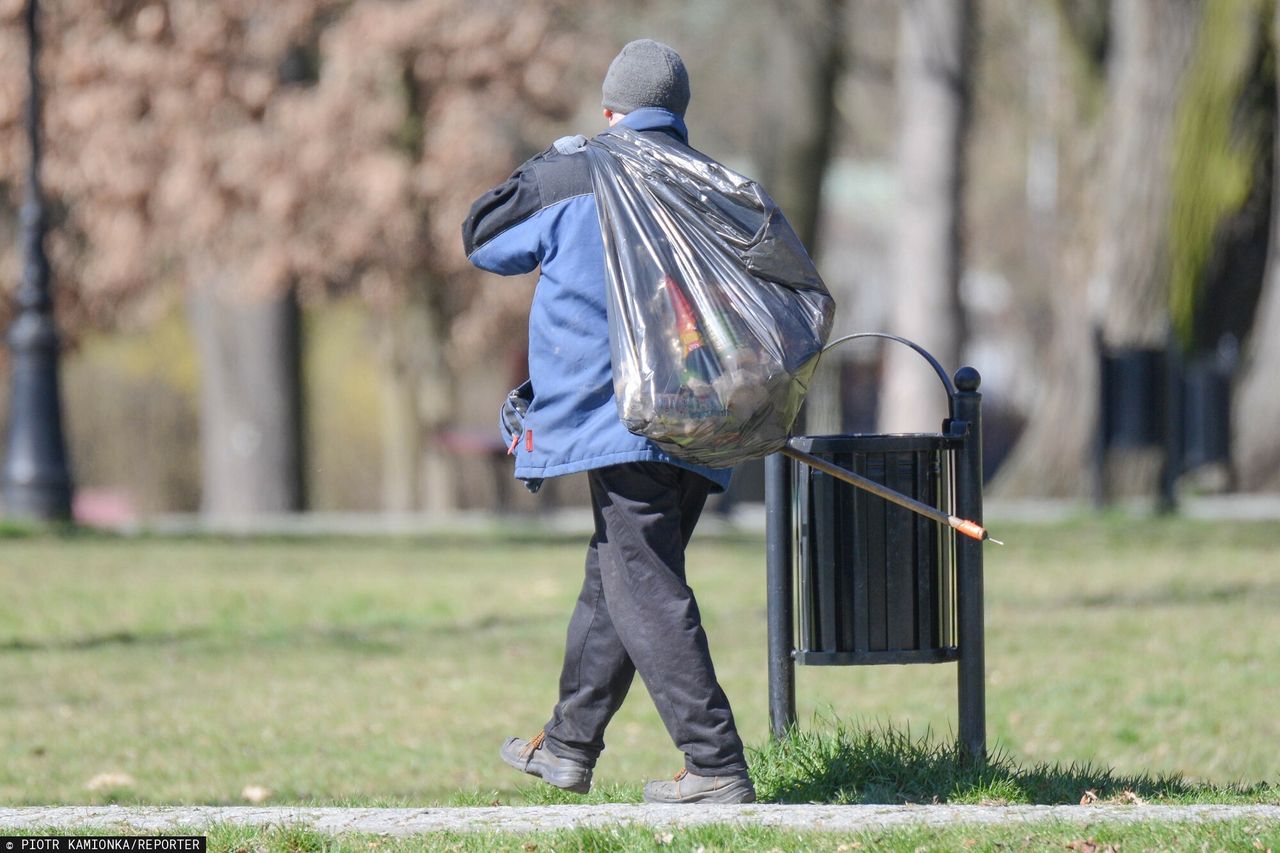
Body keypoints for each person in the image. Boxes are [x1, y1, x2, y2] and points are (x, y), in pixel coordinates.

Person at [461, 39, 754, 805]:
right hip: (704, 416)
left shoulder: (578, 170)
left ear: (611, 110)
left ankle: (716, 763)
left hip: (619, 414)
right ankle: (566, 745)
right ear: (678, 115)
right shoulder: (714, 184)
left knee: (641, 580)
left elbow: (484, 238)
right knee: (618, 575)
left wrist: (545, 160)